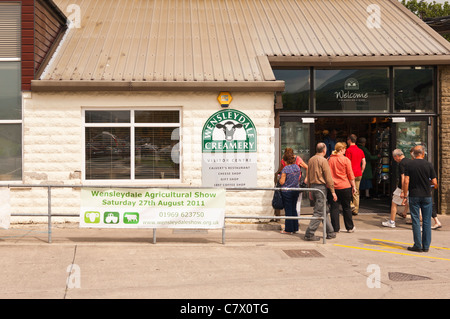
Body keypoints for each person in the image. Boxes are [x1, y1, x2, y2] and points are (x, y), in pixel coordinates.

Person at [402, 145, 438, 252]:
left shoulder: (409, 165)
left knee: (416, 220)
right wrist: (429, 183)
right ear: (423, 153)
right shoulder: (429, 165)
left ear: (414, 154)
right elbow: (435, 183)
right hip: (427, 195)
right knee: (427, 221)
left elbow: (406, 181)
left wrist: (404, 195)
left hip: (414, 195)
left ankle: (417, 245)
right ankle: (426, 246)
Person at [304, 142, 337, 241]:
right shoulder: (323, 160)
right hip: (320, 188)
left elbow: (308, 175)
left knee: (323, 210)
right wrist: (333, 191)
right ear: (324, 150)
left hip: (313, 187)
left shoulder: (311, 159)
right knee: (319, 211)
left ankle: (330, 232)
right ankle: (309, 233)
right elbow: (328, 177)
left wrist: (310, 190)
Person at [328, 142, 357, 233]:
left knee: (334, 208)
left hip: (333, 187)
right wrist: (354, 186)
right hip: (345, 186)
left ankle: (335, 228)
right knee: (347, 207)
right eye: (344, 149)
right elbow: (350, 174)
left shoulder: (329, 159)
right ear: (341, 149)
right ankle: (349, 227)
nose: (345, 150)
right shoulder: (346, 160)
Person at [382, 149, 411, 228]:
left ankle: (392, 221)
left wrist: (402, 190)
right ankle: (419, 220)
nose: (394, 160)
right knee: (412, 203)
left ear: (397, 156)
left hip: (403, 187)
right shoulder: (409, 161)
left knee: (394, 202)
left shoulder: (401, 163)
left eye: (394, 158)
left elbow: (403, 177)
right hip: (411, 186)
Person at [279, 150, 301, 234]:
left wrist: (280, 178)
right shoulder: (297, 167)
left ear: (285, 160)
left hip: (287, 191)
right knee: (293, 209)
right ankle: (295, 227)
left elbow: (282, 182)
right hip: (295, 190)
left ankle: (288, 229)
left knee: (288, 210)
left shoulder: (285, 169)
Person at [345, 134, 366, 215]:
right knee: (356, 191)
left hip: (350, 174)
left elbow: (347, 162)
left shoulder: (348, 150)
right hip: (358, 173)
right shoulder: (360, 150)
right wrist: (361, 171)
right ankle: (356, 209)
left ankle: (351, 205)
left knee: (349, 190)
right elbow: (364, 162)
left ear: (349, 140)